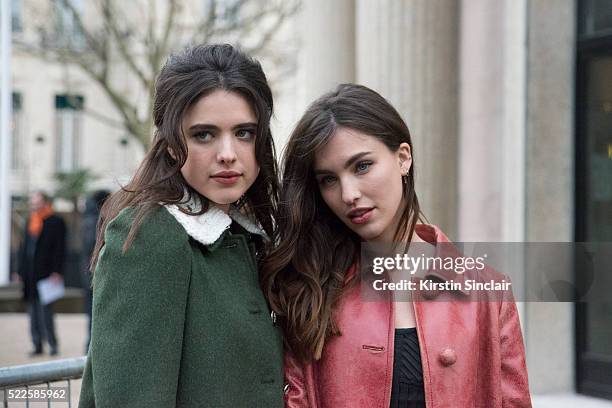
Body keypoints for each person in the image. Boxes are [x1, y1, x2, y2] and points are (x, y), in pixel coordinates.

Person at [262, 84, 532, 407]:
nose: (348, 194)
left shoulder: (489, 293)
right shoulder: (309, 291)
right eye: (328, 180)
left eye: (361, 166)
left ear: (403, 158)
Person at [78, 44, 284, 407]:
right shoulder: (151, 235)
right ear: (172, 145)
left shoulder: (247, 233)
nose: (227, 153)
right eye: (204, 134)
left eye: (244, 133)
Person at [16, 191, 66, 357]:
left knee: (46, 312)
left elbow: (60, 249)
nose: (33, 204)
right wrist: (20, 271)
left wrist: (57, 271)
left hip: (46, 274)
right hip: (30, 275)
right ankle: (37, 344)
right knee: (32, 313)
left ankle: (52, 344)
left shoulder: (56, 222)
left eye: (36, 201)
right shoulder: (31, 221)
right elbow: (24, 249)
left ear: (45, 202)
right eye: (32, 201)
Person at [80, 189, 110, 354]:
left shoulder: (87, 219)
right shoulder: (96, 221)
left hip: (88, 273)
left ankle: (90, 345)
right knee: (96, 312)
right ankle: (92, 346)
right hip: (96, 274)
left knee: (92, 312)